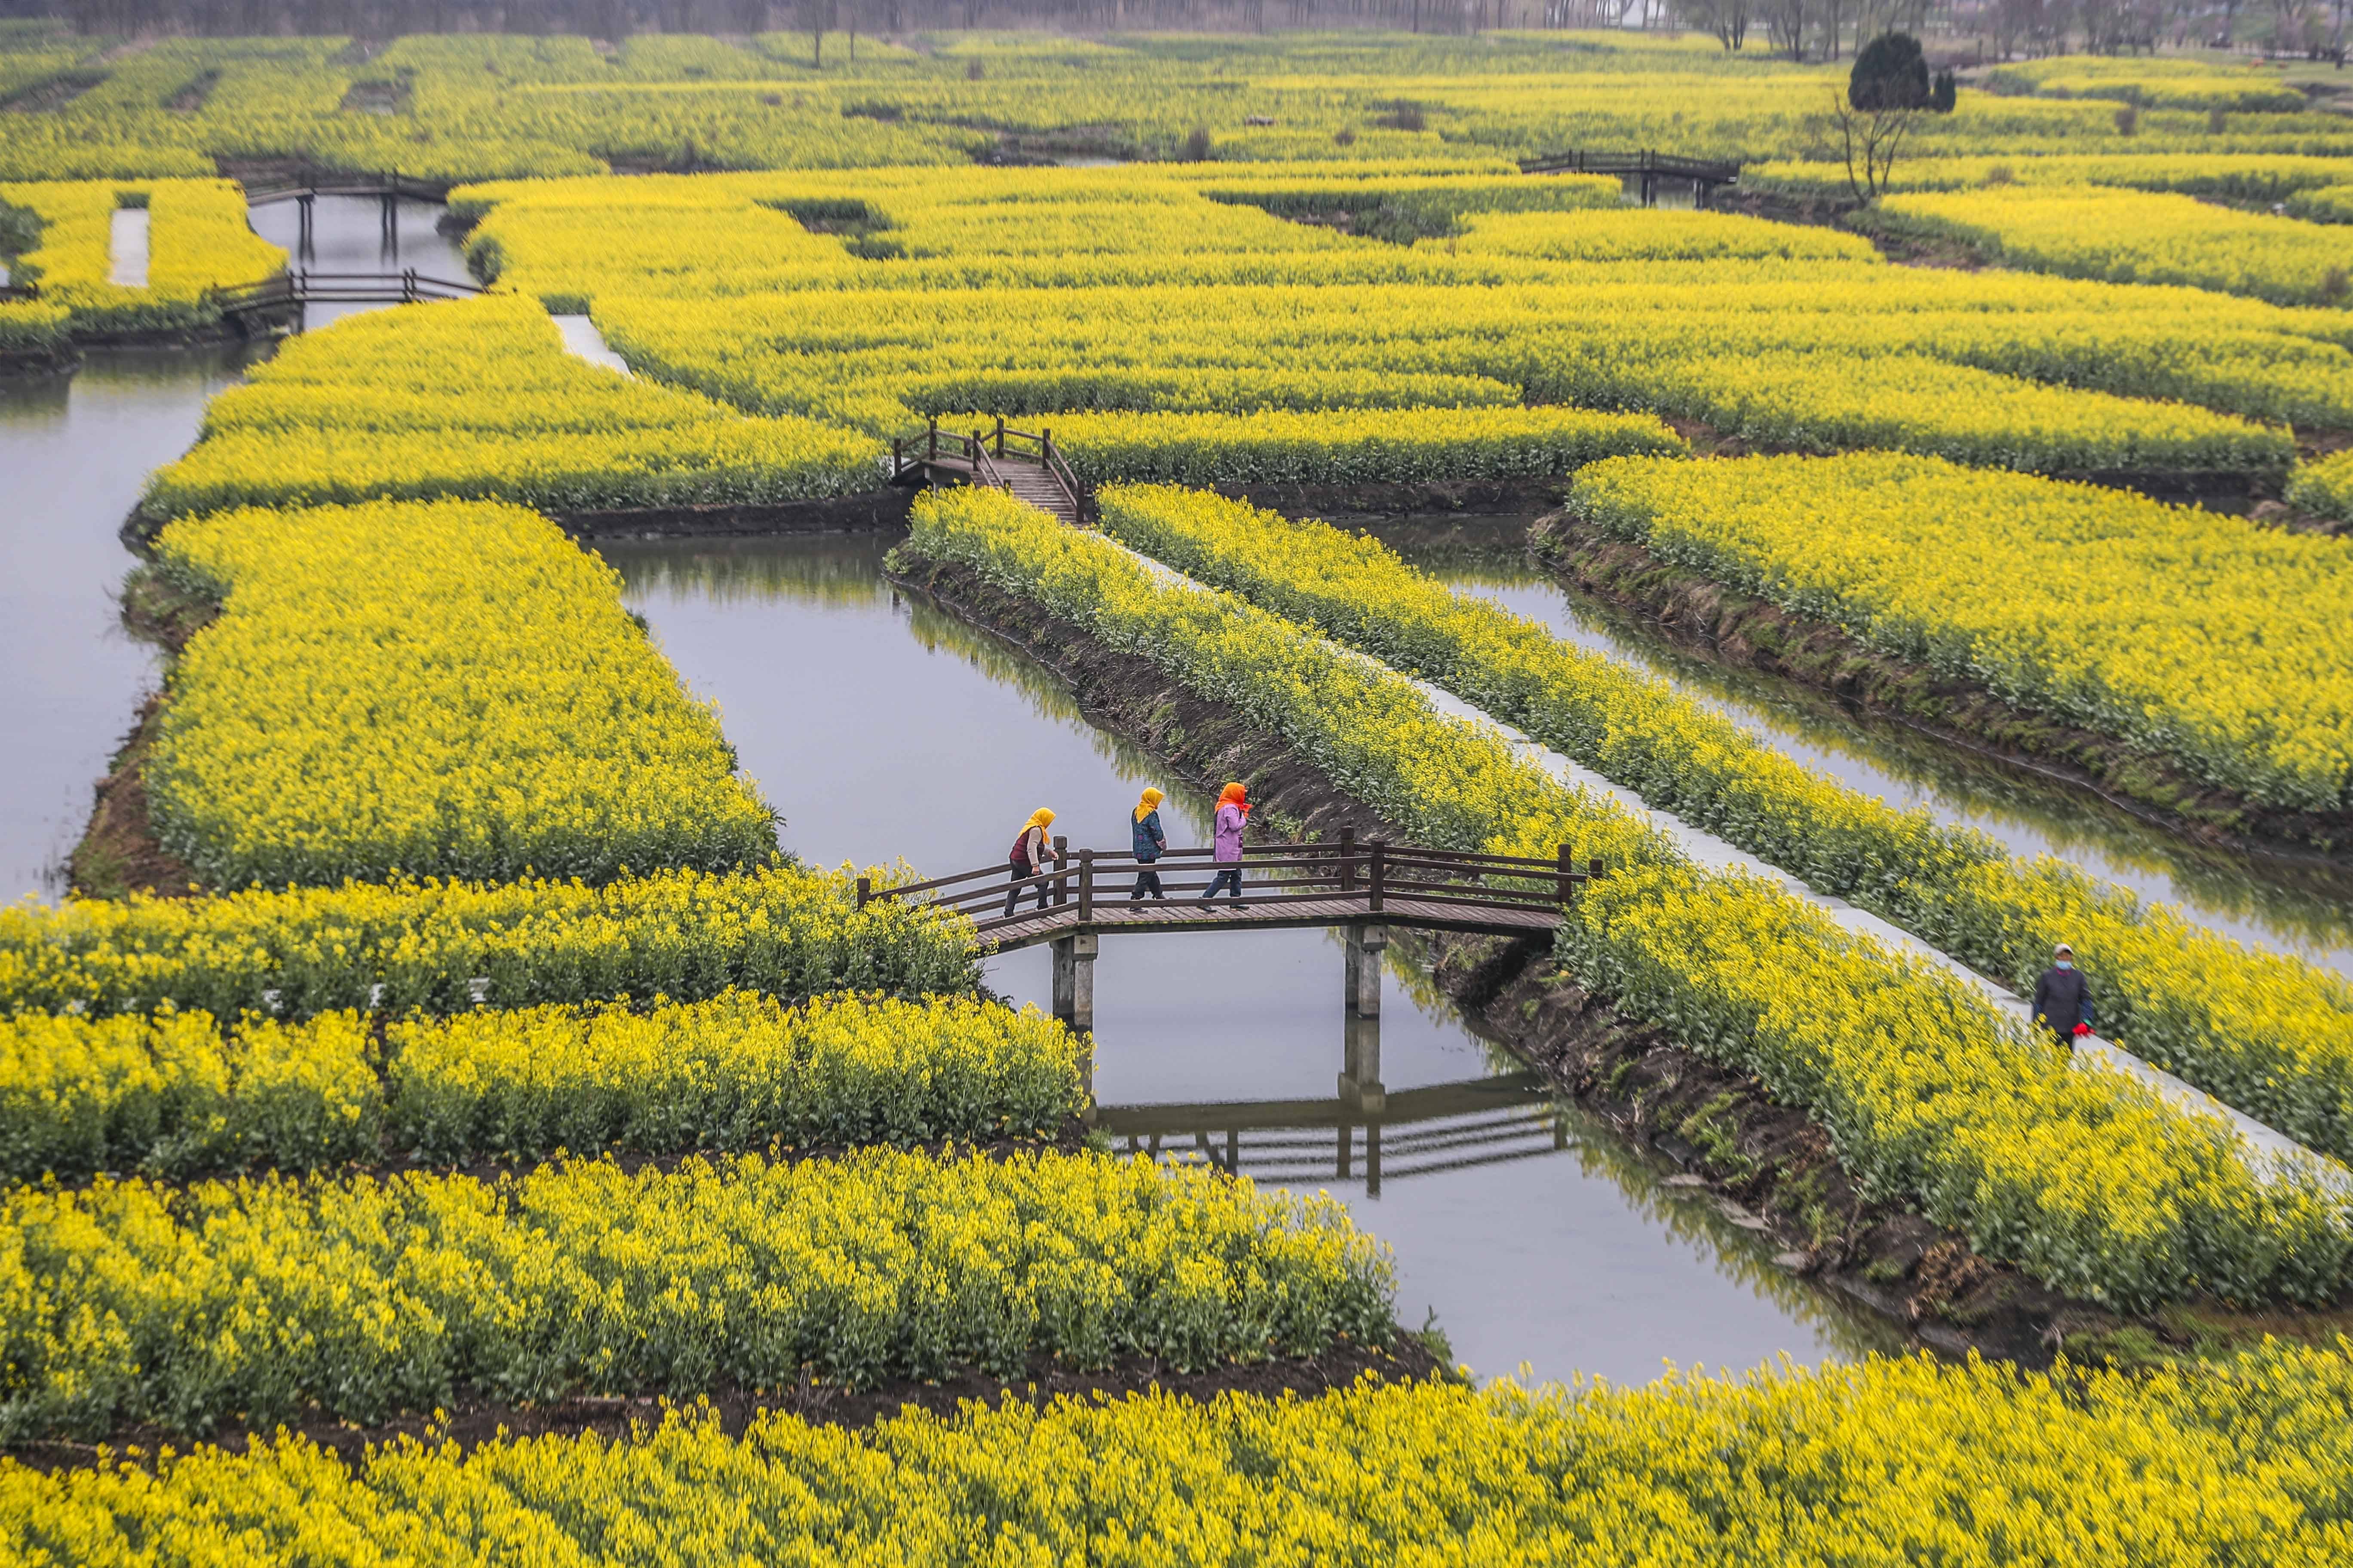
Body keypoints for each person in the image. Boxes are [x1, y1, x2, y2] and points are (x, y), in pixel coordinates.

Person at [2031, 941, 2094, 1049]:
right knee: (2052, 1057)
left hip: (2070, 1026)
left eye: (2068, 955)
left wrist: (2087, 1020)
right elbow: (2039, 1002)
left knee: (2067, 1057)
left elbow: (2086, 999)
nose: (2065, 958)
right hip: (2051, 1025)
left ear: (2071, 958)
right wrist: (2036, 1024)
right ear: (2057, 957)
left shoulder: (2078, 977)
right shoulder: (2047, 976)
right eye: (2062, 955)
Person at [1200, 781, 1249, 902]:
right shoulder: (1230, 808)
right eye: (1242, 793)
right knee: (1224, 875)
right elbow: (1235, 826)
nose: (1244, 796)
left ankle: (1235, 901)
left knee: (1236, 874)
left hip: (1231, 847)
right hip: (1228, 847)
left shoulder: (1226, 806)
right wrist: (1244, 819)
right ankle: (1205, 899)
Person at [1005, 806, 1055, 917]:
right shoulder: (1037, 830)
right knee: (1043, 882)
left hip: (1015, 859)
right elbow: (1031, 848)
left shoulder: (1032, 826)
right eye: (1049, 820)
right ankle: (1043, 908)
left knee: (1016, 886)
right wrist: (1035, 866)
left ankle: (1008, 912)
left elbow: (1035, 846)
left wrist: (1049, 852)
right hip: (1023, 861)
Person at [1129, 787, 1169, 900]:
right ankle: (1135, 900)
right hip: (1150, 851)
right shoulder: (1151, 813)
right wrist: (1162, 844)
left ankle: (1159, 896)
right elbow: (1157, 832)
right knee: (1145, 875)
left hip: (1138, 850)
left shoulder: (1136, 811)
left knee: (1150, 872)